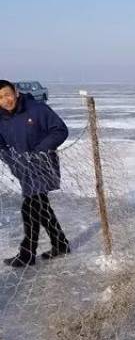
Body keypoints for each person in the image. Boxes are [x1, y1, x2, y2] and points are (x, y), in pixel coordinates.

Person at [0, 79, 70, 267]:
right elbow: (1, 146)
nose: (5, 100)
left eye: (7, 94)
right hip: (23, 170)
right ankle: (60, 244)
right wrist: (12, 161)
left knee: (30, 208)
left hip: (43, 166)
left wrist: (39, 152)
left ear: (15, 92)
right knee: (42, 207)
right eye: (0, 98)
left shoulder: (37, 109)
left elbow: (60, 130)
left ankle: (27, 253)